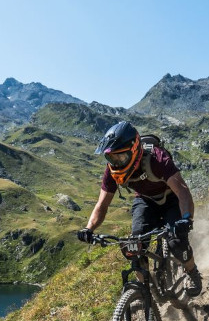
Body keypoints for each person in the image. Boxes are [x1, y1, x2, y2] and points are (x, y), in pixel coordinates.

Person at [77, 120, 202, 296]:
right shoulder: (112, 170)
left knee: (177, 242)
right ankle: (144, 292)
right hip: (145, 201)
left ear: (135, 150)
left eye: (121, 157)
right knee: (134, 246)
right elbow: (102, 205)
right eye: (111, 158)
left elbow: (182, 191)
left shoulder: (157, 159)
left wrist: (186, 218)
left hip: (171, 199)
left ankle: (192, 272)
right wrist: (88, 228)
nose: (116, 162)